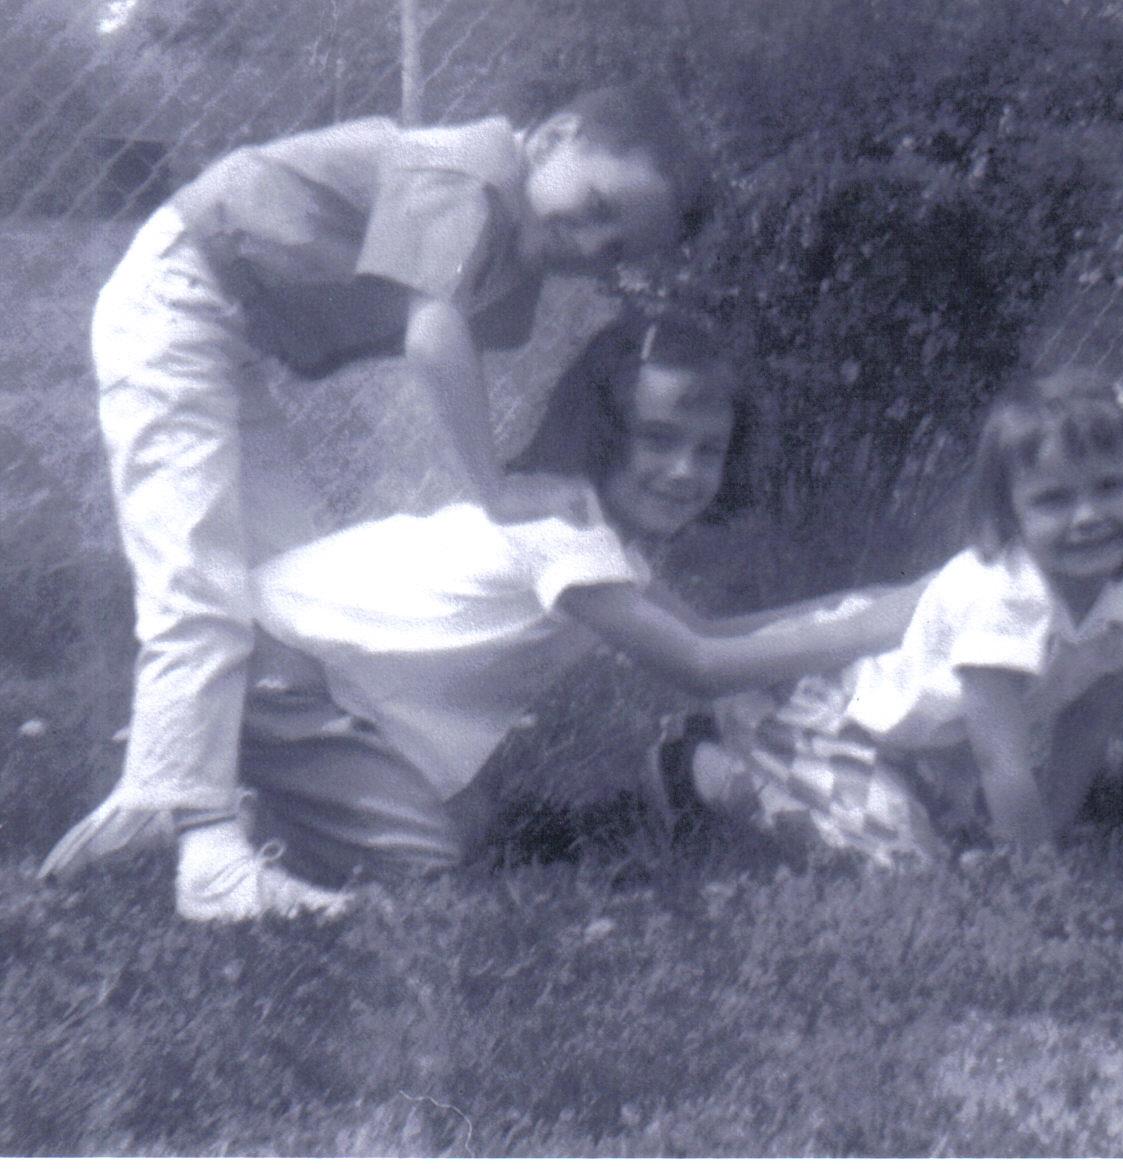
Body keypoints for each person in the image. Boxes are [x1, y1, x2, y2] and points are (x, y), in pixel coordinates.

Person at [41, 85, 711, 898]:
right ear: (551, 138)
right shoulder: (465, 169)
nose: (593, 242)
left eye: (616, 250)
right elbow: (434, 335)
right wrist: (495, 492)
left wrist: (530, 253)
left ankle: (196, 802)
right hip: (177, 295)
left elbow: (469, 322)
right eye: (598, 203)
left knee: (279, 592)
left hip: (230, 329)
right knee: (199, 582)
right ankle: (208, 856)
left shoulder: (505, 228)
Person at [53, 306, 929, 921]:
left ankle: (255, 804)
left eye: (708, 450)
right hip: (280, 672)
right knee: (429, 873)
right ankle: (241, 845)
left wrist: (893, 601)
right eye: (657, 440)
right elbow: (695, 666)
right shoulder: (564, 532)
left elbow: (711, 633)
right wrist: (886, 624)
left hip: (323, 678)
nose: (683, 471)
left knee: (470, 829)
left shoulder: (598, 536)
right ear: (599, 433)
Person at [666, 368, 1123, 866]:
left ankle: (892, 788)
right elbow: (1002, 759)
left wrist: (1051, 828)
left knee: (964, 839)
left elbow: (1088, 725)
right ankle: (707, 770)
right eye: (1054, 499)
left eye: (1109, 487)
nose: (1088, 516)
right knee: (905, 860)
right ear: (1010, 516)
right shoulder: (1007, 602)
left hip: (922, 743)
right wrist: (1033, 875)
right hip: (822, 710)